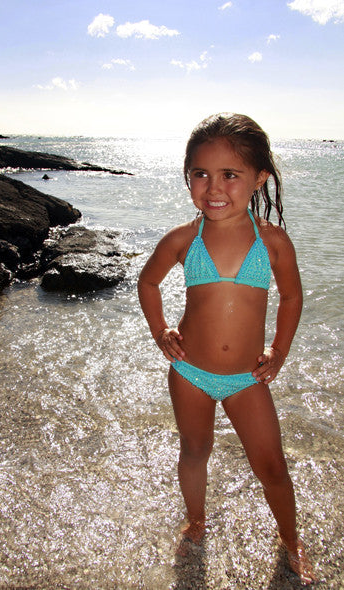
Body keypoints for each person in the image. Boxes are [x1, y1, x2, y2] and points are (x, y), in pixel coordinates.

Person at [137, 113, 317, 584]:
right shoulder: (184, 239)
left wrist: (279, 350)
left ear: (259, 178)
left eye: (229, 175)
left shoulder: (272, 241)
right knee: (195, 450)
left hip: (245, 379)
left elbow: (293, 296)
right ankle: (196, 521)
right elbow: (148, 281)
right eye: (200, 173)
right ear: (188, 177)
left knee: (272, 465)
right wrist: (160, 332)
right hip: (190, 372)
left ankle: (290, 539)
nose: (213, 187)